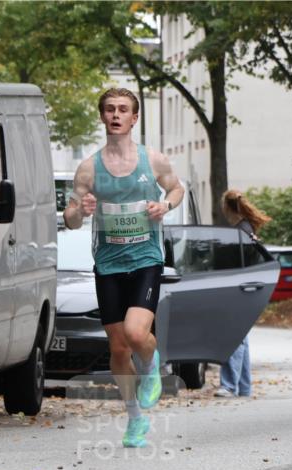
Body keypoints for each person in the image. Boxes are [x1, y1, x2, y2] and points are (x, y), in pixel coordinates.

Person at [63, 87, 185, 448]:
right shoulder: (89, 168)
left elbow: (177, 189)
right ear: (103, 117)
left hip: (146, 258)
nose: (116, 115)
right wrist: (79, 212)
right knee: (117, 348)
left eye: (123, 110)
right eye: (110, 109)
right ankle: (135, 419)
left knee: (135, 334)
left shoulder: (154, 160)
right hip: (108, 263)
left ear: (134, 119)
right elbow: (69, 218)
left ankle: (152, 365)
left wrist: (166, 206)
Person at [214, 189, 271, 398]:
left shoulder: (239, 232)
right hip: (246, 287)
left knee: (233, 334)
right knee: (242, 336)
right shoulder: (246, 228)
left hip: (239, 288)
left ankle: (229, 385)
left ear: (226, 207)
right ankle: (244, 386)